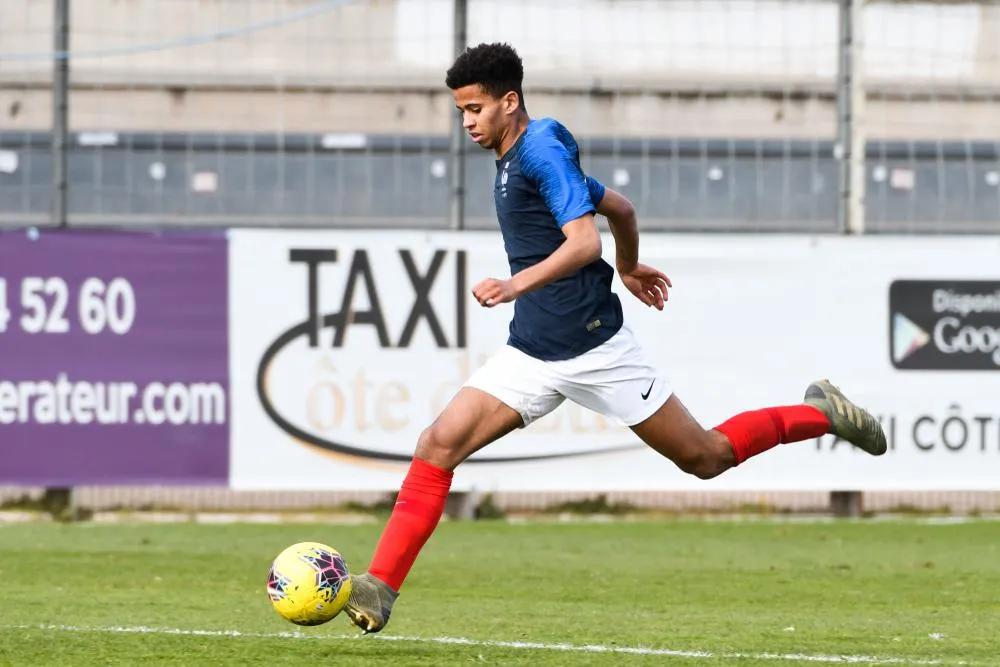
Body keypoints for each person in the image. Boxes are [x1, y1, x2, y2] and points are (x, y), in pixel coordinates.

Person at [343, 42, 887, 634]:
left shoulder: (541, 149)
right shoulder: (519, 155)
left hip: (597, 349)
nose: (467, 122)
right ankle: (379, 587)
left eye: (475, 109)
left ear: (510, 101)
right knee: (437, 444)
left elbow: (585, 242)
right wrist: (628, 267)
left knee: (706, 457)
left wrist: (515, 284)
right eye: (461, 112)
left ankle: (819, 413)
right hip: (532, 351)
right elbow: (620, 209)